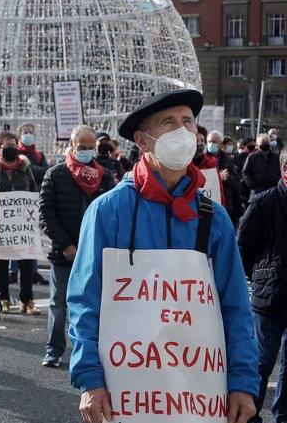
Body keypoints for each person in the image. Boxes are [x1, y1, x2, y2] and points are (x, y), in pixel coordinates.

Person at [68, 89, 258, 423]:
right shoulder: (108, 212)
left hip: (199, 392)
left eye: (187, 122)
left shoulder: (213, 217)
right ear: (142, 141)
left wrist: (243, 382)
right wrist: (89, 379)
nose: (183, 132)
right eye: (168, 122)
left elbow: (235, 306)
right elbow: (85, 301)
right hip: (125, 394)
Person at [38, 125, 115, 369]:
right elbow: (46, 216)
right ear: (71, 146)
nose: (86, 151)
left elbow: (111, 213)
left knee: (93, 304)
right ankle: (54, 350)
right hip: (64, 253)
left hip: (94, 252)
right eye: (81, 147)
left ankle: (89, 352)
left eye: (90, 147)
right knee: (58, 303)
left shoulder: (105, 177)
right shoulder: (56, 174)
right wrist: (67, 245)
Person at [239, 149, 287, 420]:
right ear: (285, 169)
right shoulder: (264, 202)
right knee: (261, 362)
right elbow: (243, 245)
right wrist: (261, 277)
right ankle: (250, 415)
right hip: (269, 297)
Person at [0, 131, 38, 314]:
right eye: (8, 146)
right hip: (0, 226)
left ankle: (27, 301)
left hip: (22, 225)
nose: (12, 149)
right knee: (1, 264)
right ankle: (3, 299)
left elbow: (33, 191)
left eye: (14, 145)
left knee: (27, 263)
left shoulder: (24, 168)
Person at [244, 133, 281, 200]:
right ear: (258, 145)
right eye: (262, 142)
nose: (264, 144)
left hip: (273, 192)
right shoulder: (252, 157)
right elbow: (245, 172)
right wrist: (252, 185)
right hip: (257, 193)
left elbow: (280, 172)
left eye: (266, 142)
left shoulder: (276, 157)